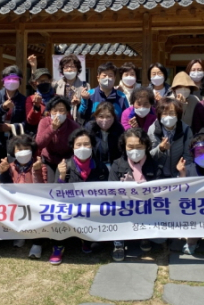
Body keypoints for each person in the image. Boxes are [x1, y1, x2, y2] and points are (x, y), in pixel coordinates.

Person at [50, 128, 109, 265]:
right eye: (78, 144)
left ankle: (85, 240)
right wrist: (62, 176)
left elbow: (106, 193)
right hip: (69, 209)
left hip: (91, 211)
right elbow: (55, 194)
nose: (83, 148)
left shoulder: (100, 167)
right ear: (72, 147)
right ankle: (58, 246)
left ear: (92, 146)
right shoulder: (64, 166)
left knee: (96, 247)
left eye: (86, 144)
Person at [109, 127, 160, 261]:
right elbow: (110, 190)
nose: (135, 150)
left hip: (146, 205)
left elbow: (160, 189)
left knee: (161, 239)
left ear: (146, 146)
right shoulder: (117, 164)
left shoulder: (154, 165)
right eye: (130, 147)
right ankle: (119, 243)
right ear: (124, 146)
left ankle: (144, 237)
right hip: (123, 205)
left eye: (139, 146)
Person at [0, 133, 46, 258]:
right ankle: (20, 235)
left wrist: (37, 171)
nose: (23, 152)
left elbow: (43, 188)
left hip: (35, 202)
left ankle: (37, 243)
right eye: (19, 149)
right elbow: (5, 188)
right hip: (17, 202)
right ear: (13, 152)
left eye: (26, 148)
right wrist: (3, 173)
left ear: (32, 150)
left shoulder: (40, 166)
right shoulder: (10, 167)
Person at [35, 96, 81, 183]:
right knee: (51, 185)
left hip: (67, 161)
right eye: (55, 110)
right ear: (50, 112)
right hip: (49, 160)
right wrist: (52, 128)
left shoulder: (74, 126)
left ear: (67, 112)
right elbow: (39, 143)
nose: (58, 114)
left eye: (61, 110)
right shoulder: (44, 122)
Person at [148, 98, 194, 178]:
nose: (168, 117)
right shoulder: (153, 130)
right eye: (165, 113)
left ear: (178, 114)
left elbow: (188, 155)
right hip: (158, 176)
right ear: (159, 115)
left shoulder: (186, 130)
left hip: (178, 175)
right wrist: (160, 149)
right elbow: (149, 156)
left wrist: (181, 171)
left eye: (172, 113)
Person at [0, 65, 27, 160]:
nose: (12, 81)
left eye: (15, 79)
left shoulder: (24, 100)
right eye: (9, 78)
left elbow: (27, 122)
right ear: (3, 81)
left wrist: (11, 127)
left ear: (20, 82)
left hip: (15, 140)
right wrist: (3, 107)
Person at [84, 102, 125, 167]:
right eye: (101, 116)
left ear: (113, 117)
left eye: (108, 116)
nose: (105, 120)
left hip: (114, 165)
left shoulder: (119, 129)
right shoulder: (89, 128)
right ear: (95, 117)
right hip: (94, 165)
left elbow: (122, 150)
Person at [53, 54, 90, 124]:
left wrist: (80, 102)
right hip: (60, 122)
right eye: (66, 67)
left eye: (72, 66)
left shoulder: (85, 86)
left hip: (78, 123)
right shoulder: (56, 85)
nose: (69, 69)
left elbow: (89, 106)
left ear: (77, 69)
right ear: (62, 69)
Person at [26, 68, 55, 132]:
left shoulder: (57, 98)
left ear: (50, 81)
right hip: (38, 132)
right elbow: (31, 121)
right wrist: (36, 106)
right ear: (35, 83)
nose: (44, 83)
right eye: (41, 81)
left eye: (46, 80)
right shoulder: (31, 99)